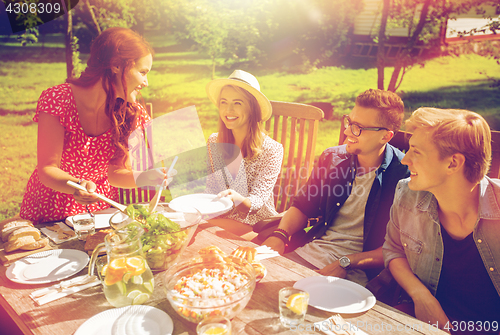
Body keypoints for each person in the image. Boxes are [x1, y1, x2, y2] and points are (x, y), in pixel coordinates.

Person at [19, 27, 169, 224]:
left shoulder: (131, 112)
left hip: (98, 212)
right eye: (142, 72)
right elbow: (47, 169)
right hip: (48, 209)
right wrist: (76, 187)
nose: (146, 82)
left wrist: (146, 178)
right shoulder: (58, 99)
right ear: (116, 65)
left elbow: (114, 173)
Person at [263, 89, 409, 286]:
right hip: (309, 253)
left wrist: (346, 262)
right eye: (349, 122)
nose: (347, 131)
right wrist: (279, 235)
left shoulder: (404, 176)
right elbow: (303, 205)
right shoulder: (332, 158)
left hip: (358, 277)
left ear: (385, 136)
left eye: (358, 128)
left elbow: (399, 248)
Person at [383, 108, 500, 334]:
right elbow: (393, 249)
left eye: (416, 152)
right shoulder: (407, 194)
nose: (405, 159)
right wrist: (421, 296)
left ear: (453, 163)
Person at [204, 70, 283, 239]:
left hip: (257, 225)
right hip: (221, 217)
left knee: (199, 229)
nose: (228, 109)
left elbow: (256, 203)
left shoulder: (272, 150)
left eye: (237, 103)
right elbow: (210, 188)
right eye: (223, 102)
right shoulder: (214, 142)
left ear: (252, 109)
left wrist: (236, 197)